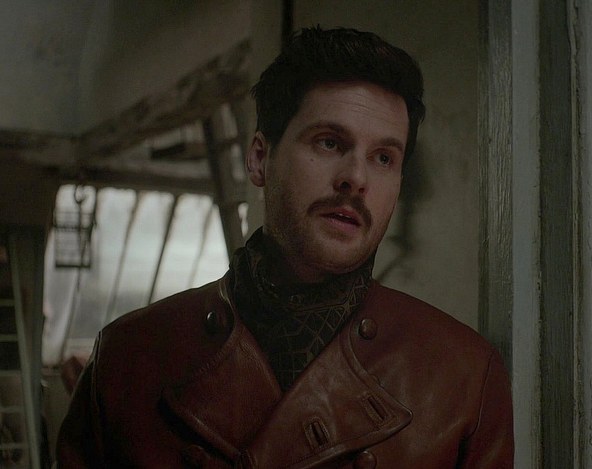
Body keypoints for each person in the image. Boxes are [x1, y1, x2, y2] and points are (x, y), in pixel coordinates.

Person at [57, 27, 513, 468]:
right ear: (259, 158)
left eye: (383, 158)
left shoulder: (464, 378)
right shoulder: (128, 358)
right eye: (330, 142)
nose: (356, 178)